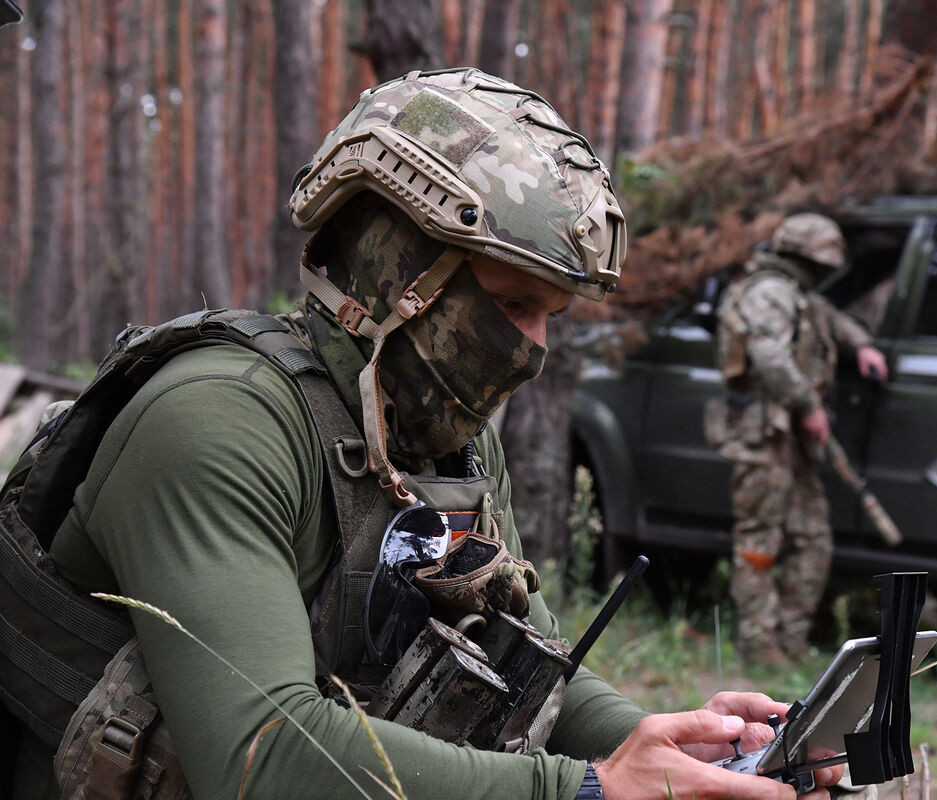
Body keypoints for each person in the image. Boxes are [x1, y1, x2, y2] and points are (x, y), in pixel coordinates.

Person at [4, 70, 843, 800]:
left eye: (551, 317)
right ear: (401, 276)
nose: (535, 352)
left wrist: (665, 744)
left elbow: (528, 660)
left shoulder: (448, 444)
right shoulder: (218, 419)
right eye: (514, 304)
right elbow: (258, 756)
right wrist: (587, 789)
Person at [708, 213, 889, 664]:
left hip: (791, 443)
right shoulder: (770, 292)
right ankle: (758, 644)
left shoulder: (795, 294)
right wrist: (808, 405)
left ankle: (791, 639)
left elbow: (827, 317)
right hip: (764, 435)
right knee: (759, 539)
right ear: (804, 258)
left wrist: (861, 343)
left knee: (811, 539)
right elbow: (767, 354)